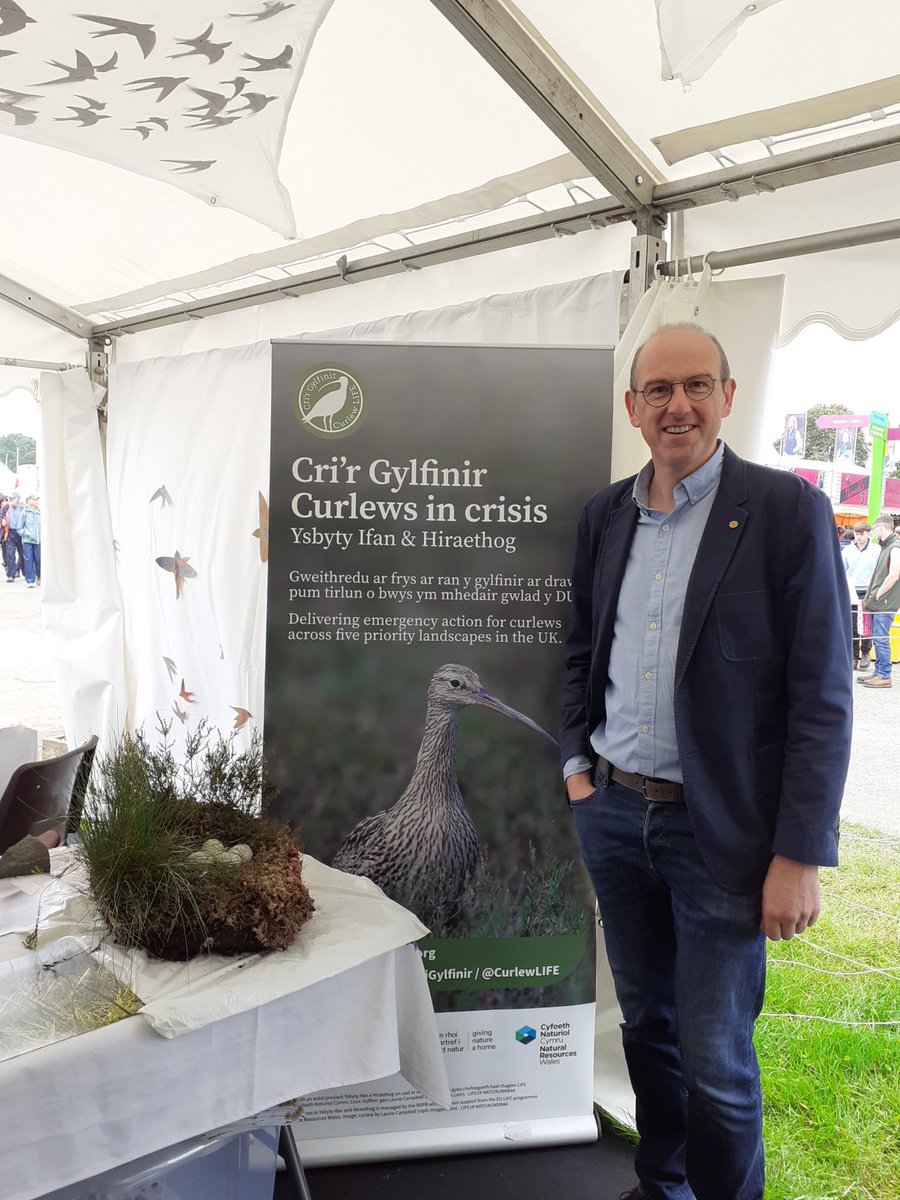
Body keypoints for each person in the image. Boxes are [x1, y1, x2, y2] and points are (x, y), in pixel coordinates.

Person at [560, 323, 852, 1200]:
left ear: (728, 396)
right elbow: (582, 650)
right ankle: (663, 1185)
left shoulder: (786, 512)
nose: (677, 404)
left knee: (715, 1058)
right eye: (659, 390)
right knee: (646, 1027)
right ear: (633, 408)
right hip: (613, 813)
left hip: (721, 833)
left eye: (696, 386)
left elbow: (823, 695)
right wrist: (578, 771)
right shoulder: (605, 515)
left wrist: (799, 855)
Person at [858, 514, 900, 689]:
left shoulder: (894, 547)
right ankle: (879, 672)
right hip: (882, 601)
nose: (874, 532)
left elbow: (895, 574)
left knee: (881, 638)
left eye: (875, 529)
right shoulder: (887, 546)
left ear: (882, 527)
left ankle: (884, 675)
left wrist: (878, 594)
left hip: (885, 602)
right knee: (877, 637)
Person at [841, 520, 879, 668]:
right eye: (856, 534)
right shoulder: (847, 550)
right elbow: (842, 571)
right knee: (853, 625)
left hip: (869, 590)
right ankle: (854, 655)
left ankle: (865, 653)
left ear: (868, 534)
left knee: (866, 625)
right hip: (852, 590)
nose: (859, 537)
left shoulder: (876, 550)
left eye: (862, 534)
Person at [21, 495, 41, 588]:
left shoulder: (39, 512)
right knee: (28, 560)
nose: (36, 501)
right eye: (35, 500)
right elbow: (19, 527)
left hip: (38, 540)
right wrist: (25, 534)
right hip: (27, 540)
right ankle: (30, 580)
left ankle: (39, 576)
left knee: (38, 559)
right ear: (29, 501)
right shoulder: (24, 512)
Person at [4, 492, 24, 582]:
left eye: (13, 498)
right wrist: (2, 521)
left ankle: (22, 571)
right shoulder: (6, 507)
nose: (12, 500)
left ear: (18, 499)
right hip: (10, 532)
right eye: (10, 498)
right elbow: (1, 516)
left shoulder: (22, 508)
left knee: (23, 554)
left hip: (20, 533)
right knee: (10, 554)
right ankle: (10, 575)